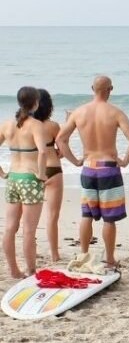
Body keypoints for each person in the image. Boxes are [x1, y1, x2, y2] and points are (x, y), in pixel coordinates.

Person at [57, 75, 129, 268]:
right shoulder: (116, 112)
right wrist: (125, 161)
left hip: (88, 168)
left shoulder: (79, 112)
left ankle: (84, 255)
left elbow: (61, 139)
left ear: (92, 88)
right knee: (109, 219)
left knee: (86, 215)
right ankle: (109, 259)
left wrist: (75, 160)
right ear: (110, 89)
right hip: (109, 169)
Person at [0, 87, 51, 278]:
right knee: (29, 230)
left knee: (10, 227)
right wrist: (41, 174)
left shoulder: (6, 125)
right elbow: (43, 151)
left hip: (13, 178)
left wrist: (2, 173)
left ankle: (13, 270)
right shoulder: (36, 124)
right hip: (30, 179)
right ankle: (30, 270)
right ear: (35, 103)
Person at [34, 89, 65, 263]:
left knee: (30, 218)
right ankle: (54, 254)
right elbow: (61, 152)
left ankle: (33, 250)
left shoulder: (26, 126)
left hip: (33, 172)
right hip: (53, 170)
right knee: (52, 216)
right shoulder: (53, 126)